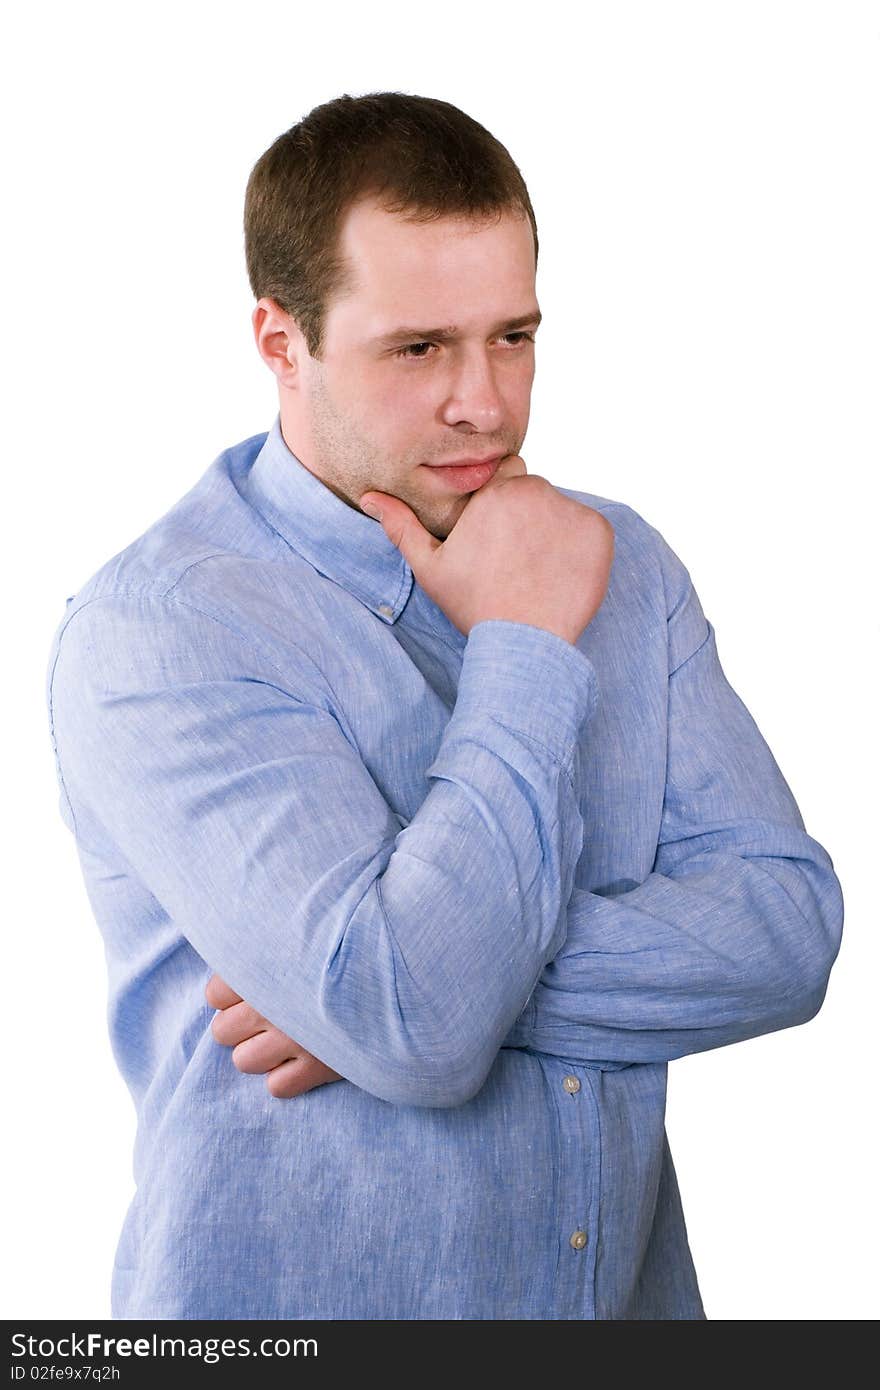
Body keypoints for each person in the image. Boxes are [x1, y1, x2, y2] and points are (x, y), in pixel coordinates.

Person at [45, 91, 844, 1322]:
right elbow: (414, 1019)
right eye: (418, 349)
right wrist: (523, 640)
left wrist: (399, 990)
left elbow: (787, 935)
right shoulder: (164, 628)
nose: (486, 401)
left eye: (514, 336)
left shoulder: (621, 562)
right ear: (281, 341)